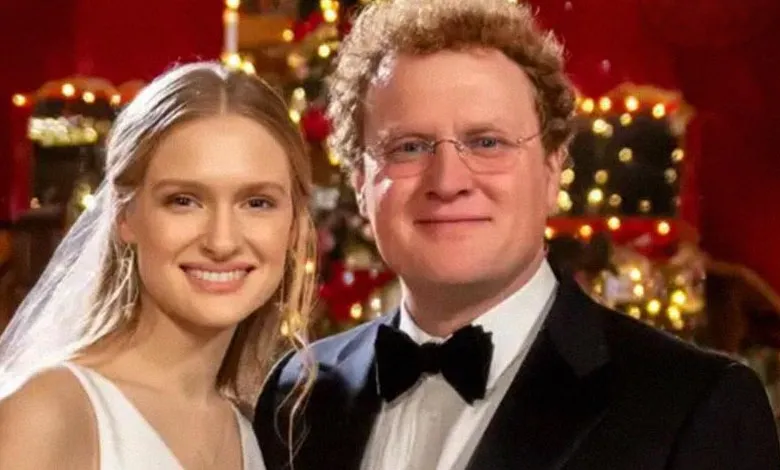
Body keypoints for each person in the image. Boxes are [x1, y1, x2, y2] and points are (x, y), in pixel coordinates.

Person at [254, 0, 780, 469]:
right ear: (360, 183)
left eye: (487, 142)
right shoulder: (297, 396)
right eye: (409, 147)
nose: (448, 182)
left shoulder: (695, 407)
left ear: (552, 171)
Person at [0, 62, 317, 470]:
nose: (222, 241)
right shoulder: (51, 415)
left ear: (294, 224)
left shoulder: (246, 431)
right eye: (183, 200)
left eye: (257, 203)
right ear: (124, 215)